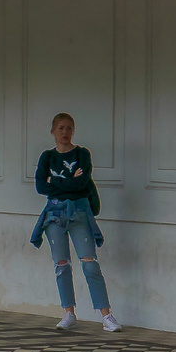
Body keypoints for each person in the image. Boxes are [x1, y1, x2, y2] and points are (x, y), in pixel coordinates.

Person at [31, 112, 119, 332]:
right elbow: (41, 186)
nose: (65, 133)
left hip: (79, 213)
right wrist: (69, 181)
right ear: (53, 131)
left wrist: (57, 181)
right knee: (61, 265)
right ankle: (69, 312)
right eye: (61, 128)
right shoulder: (47, 157)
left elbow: (82, 184)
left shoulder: (82, 154)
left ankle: (106, 316)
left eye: (69, 128)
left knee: (90, 263)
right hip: (54, 214)